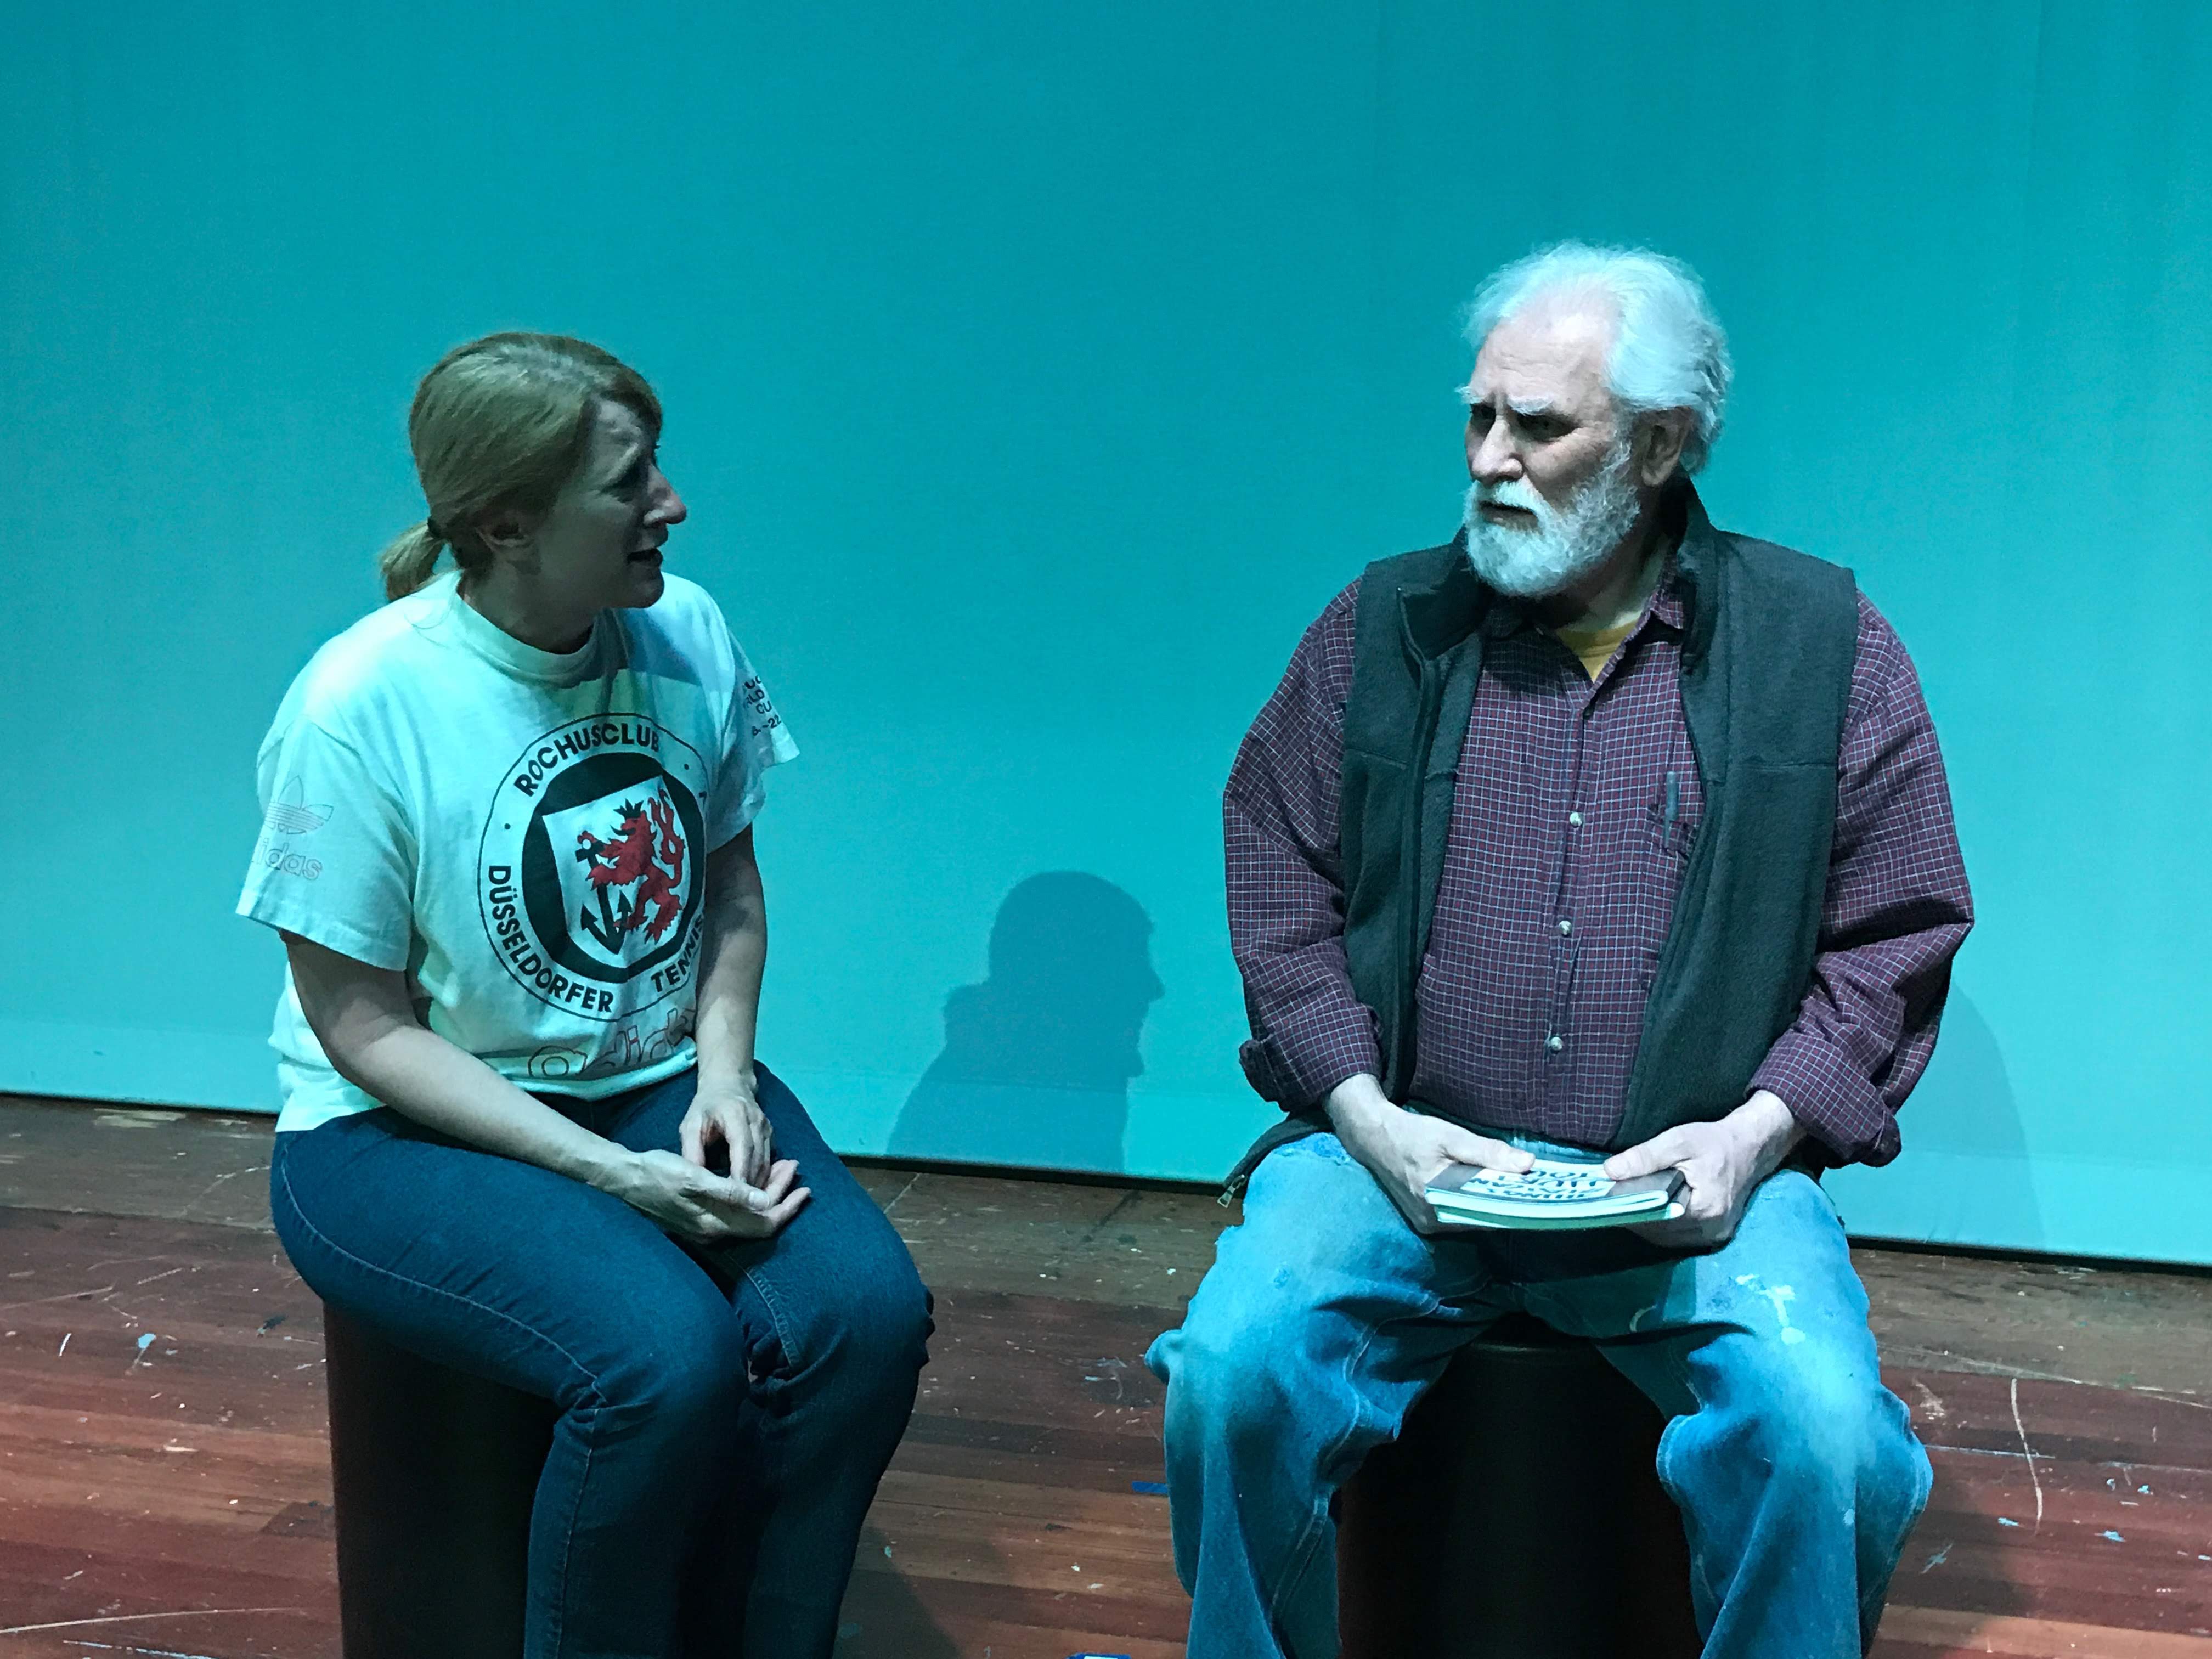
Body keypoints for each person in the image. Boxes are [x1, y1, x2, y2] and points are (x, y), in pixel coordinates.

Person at [1146, 245, 1973, 1658]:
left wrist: (1753, 1138)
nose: (1488, 459)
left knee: (1823, 1435)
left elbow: (1894, 930)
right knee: (1232, 1378)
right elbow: (1279, 876)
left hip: (1692, 1176)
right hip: (1401, 1156)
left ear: (1657, 445)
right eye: (1478, 416)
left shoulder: (1819, 645)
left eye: (1537, 426)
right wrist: (1365, 1114)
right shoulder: (1384, 627)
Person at [238, 332, 930, 1659]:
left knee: (862, 1319)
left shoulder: (688, 626)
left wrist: (724, 1077)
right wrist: (618, 1181)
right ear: (507, 525)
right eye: (628, 482)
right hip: (395, 1130)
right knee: (660, 1362)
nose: (673, 502)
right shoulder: (357, 705)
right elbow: (360, 1025)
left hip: (653, 1081)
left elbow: (730, 886)